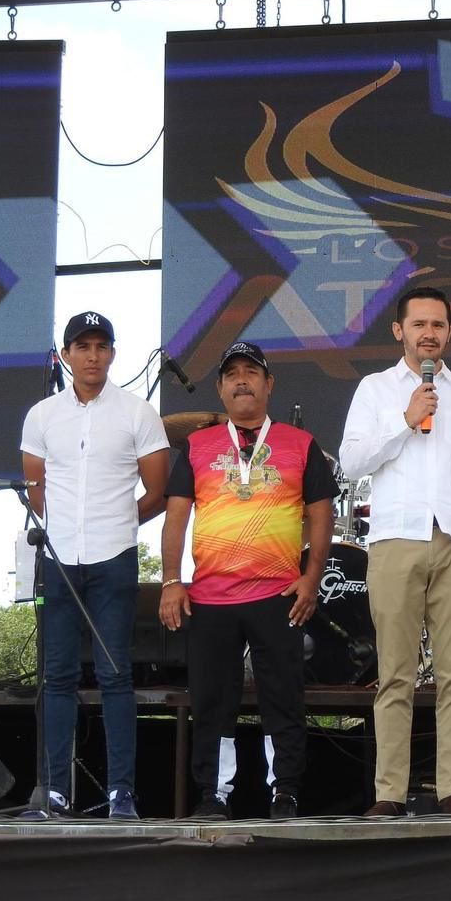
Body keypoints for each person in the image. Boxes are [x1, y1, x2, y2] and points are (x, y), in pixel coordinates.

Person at [339, 286, 451, 817]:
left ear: (450, 332)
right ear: (399, 331)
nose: (428, 333)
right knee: (395, 674)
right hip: (395, 540)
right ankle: (389, 794)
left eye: (438, 324)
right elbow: (352, 461)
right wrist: (405, 419)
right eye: (419, 324)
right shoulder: (375, 389)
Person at [160, 341, 336, 820]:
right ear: (220, 387)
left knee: (283, 697)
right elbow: (176, 517)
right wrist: (171, 581)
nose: (242, 380)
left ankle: (285, 792)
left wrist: (311, 579)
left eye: (251, 372)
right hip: (211, 596)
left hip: (278, 593)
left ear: (268, 384)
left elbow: (322, 516)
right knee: (213, 701)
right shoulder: (197, 446)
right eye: (232, 373)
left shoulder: (301, 444)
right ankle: (213, 795)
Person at [20, 311, 169, 819]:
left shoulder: (137, 412)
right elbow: (35, 489)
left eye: (101, 346)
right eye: (82, 346)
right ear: (66, 355)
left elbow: (158, 491)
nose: (92, 355)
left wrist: (117, 525)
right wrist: (66, 527)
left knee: (115, 674)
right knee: (57, 676)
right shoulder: (42, 415)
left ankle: (121, 793)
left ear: (113, 354)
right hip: (59, 558)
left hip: (114, 557)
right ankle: (55, 791)